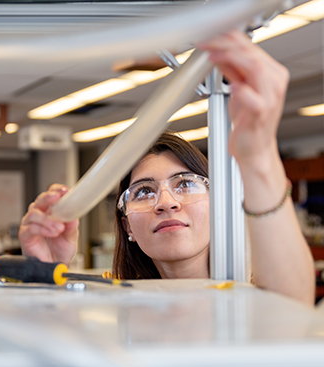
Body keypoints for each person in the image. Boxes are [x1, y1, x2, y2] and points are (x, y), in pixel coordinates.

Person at [18, 30, 315, 305]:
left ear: (218, 206)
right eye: (144, 191)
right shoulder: (109, 303)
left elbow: (291, 307)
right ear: (127, 226)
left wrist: (259, 158)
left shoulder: (251, 293)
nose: (166, 203)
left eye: (185, 183)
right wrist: (46, 275)